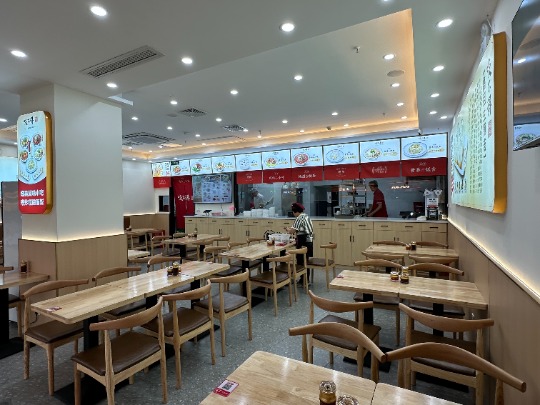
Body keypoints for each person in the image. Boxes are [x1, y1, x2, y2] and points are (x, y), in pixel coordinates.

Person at [286, 202, 314, 283]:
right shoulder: (306, 216)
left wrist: (287, 229)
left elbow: (292, 231)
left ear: (295, 211)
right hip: (309, 241)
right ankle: (305, 279)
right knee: (305, 260)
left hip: (303, 242)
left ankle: (303, 280)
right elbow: (301, 229)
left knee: (300, 261)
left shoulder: (299, 218)